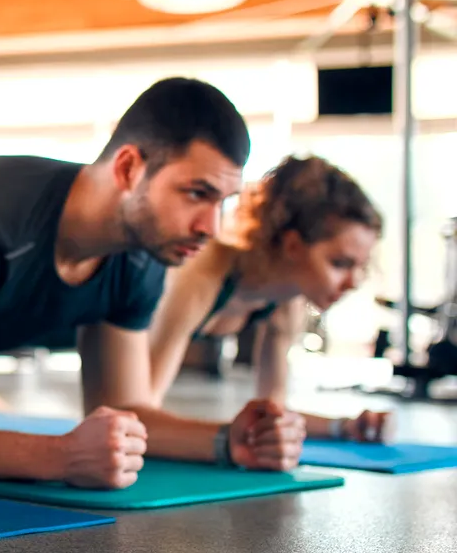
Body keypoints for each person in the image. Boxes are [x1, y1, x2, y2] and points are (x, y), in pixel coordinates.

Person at [0, 76, 312, 487]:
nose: (211, 226)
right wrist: (60, 455)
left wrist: (230, 440)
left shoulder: (142, 259)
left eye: (224, 201)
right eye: (197, 194)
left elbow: (124, 407)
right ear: (129, 168)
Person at [148, 154, 391, 443]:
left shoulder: (286, 301)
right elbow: (138, 411)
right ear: (292, 246)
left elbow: (273, 414)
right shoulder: (203, 275)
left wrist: (346, 427)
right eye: (340, 263)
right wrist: (231, 442)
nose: (354, 282)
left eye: (360, 267)